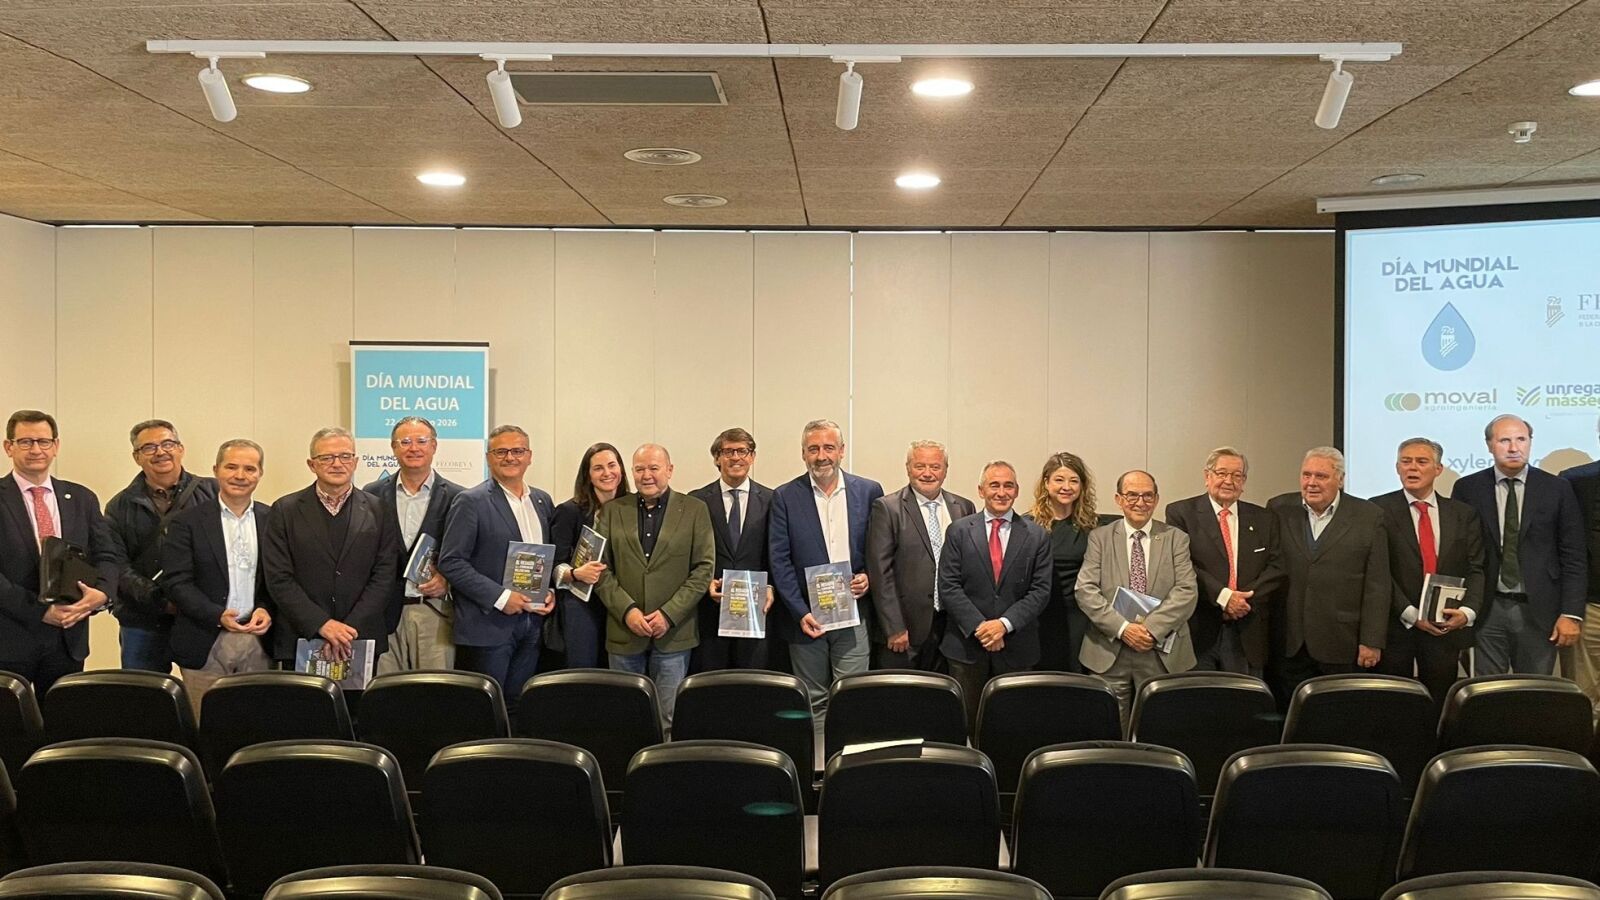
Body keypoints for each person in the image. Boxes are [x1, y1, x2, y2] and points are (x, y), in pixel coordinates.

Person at [769, 419, 884, 724]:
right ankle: (818, 755)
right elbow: (779, 561)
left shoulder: (869, 491)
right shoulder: (784, 496)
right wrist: (799, 611)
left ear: (842, 451)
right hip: (807, 619)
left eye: (829, 448)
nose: (822, 456)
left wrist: (869, 577)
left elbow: (879, 549)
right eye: (814, 449)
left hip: (853, 613)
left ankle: (848, 754)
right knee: (813, 700)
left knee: (852, 696)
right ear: (803, 453)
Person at [1452, 414, 1586, 675]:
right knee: (1487, 690)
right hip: (1486, 608)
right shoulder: (1468, 488)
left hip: (1540, 610)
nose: (1514, 448)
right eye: (1504, 440)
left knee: (1534, 690)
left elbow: (1574, 556)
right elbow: (1458, 553)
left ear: (1530, 442)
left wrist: (1571, 613)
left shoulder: (1557, 488)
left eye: (1521, 439)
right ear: (1489, 445)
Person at [594, 444, 715, 727]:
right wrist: (628, 611)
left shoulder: (695, 510)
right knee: (624, 718)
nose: (646, 475)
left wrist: (668, 615)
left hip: (674, 633)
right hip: (624, 631)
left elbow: (703, 569)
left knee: (668, 717)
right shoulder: (612, 511)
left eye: (654, 468)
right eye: (639, 469)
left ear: (669, 470)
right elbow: (599, 569)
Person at [0, 410, 117, 693]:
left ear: (56, 446)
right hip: (9, 637)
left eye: (44, 441)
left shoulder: (81, 498)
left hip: (68, 639)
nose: (36, 450)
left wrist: (102, 594)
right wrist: (39, 611)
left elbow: (107, 555)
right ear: (8, 447)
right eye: (26, 442)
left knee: (63, 717)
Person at [439, 425, 556, 706]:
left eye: (518, 451)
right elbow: (451, 561)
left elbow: (546, 557)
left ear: (529, 456)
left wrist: (549, 590)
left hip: (532, 623)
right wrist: (501, 597)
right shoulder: (470, 501)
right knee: (484, 708)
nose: (510, 457)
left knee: (519, 704)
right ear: (488, 458)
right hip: (488, 625)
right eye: (501, 451)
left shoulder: (542, 501)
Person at [263, 426, 400, 665]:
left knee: (361, 694)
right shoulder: (285, 510)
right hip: (303, 634)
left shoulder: (379, 510)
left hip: (359, 634)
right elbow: (278, 578)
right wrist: (322, 624)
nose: (337, 464)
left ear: (355, 462)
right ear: (311, 464)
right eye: (326, 457)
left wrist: (347, 629)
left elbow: (384, 575)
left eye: (345, 456)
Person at [1267, 446, 1390, 704]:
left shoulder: (1368, 516)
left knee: (1339, 714)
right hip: (1290, 642)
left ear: (1340, 480)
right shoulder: (1278, 508)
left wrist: (1371, 641)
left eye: (1321, 476)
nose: (1311, 483)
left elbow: (1377, 584)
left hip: (1342, 642)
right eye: (1306, 475)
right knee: (1290, 715)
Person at [1371, 437, 1485, 713]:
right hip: (1396, 626)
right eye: (1406, 461)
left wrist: (1467, 613)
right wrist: (1411, 614)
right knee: (1393, 707)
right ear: (1397, 468)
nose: (1412, 468)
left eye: (1421, 462)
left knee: (1439, 705)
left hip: (1445, 626)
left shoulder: (1463, 514)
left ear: (1438, 469)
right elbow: (1378, 572)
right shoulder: (1377, 510)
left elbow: (1476, 568)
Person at [163, 439, 274, 716]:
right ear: (216, 470)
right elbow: (176, 582)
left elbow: (280, 577)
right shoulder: (186, 522)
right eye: (231, 467)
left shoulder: (273, 519)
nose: (240, 475)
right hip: (205, 639)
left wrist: (266, 608)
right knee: (206, 724)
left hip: (259, 641)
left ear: (260, 473)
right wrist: (217, 614)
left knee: (257, 724)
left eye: (250, 469)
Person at [1076, 470, 1197, 724]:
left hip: (1160, 651)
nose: (1140, 502)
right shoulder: (1100, 538)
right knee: (1108, 728)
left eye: (1147, 496)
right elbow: (1085, 590)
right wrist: (1124, 629)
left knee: (1158, 727)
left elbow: (1186, 592)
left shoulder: (1176, 538)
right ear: (1118, 499)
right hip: (1109, 650)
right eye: (1132, 495)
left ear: (1157, 499)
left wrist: (1149, 630)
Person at [937, 461, 1052, 727]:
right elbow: (949, 585)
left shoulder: (1037, 536)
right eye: (994, 485)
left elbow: (1040, 590)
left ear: (1017, 491)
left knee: (1013, 725)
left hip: (1017, 646)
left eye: (1008, 486)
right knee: (965, 724)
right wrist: (981, 628)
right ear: (981, 490)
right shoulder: (959, 531)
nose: (1001, 492)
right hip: (967, 647)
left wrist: (1003, 625)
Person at [104, 419, 217, 672]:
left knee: (209, 693)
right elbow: (117, 565)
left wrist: (194, 602)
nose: (160, 452)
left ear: (181, 448)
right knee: (145, 693)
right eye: (149, 447)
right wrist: (160, 601)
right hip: (142, 619)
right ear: (136, 457)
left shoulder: (213, 492)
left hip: (202, 618)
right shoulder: (119, 506)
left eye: (168, 444)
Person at [1165, 447, 1283, 677]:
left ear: (1244, 481)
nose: (1229, 481)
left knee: (1245, 697)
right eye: (1221, 473)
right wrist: (1224, 597)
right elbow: (1182, 565)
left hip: (1248, 627)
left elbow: (1277, 567)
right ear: (1207, 476)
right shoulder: (1181, 513)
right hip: (1200, 627)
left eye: (1237, 475)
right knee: (1198, 695)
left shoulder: (1264, 518)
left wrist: (1242, 601)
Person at [362, 416, 464, 673]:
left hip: (434, 611)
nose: (414, 448)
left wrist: (448, 581)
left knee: (434, 689)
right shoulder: (371, 494)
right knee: (385, 689)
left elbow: (467, 555)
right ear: (393, 448)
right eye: (405, 442)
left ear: (434, 446)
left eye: (421, 441)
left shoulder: (458, 497)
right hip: (383, 613)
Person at [866, 440, 976, 671]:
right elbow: (880, 573)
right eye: (920, 466)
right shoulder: (887, 508)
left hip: (952, 628)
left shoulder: (964, 507)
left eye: (935, 467)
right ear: (908, 468)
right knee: (902, 692)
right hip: (905, 630)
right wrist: (894, 627)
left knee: (945, 691)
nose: (927, 473)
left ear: (945, 470)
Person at [688, 428, 777, 673]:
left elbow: (777, 552)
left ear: (752, 457)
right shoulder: (696, 501)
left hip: (757, 610)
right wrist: (705, 582)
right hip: (711, 609)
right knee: (711, 683)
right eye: (728, 451)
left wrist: (771, 586)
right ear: (717, 458)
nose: (736, 457)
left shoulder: (772, 499)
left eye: (742, 451)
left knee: (752, 682)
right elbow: (688, 553)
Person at [549, 442, 628, 669]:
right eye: (598, 468)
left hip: (623, 601)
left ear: (621, 469)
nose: (607, 473)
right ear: (588, 475)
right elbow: (554, 564)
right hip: (583, 604)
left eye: (612, 465)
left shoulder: (634, 507)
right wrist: (575, 573)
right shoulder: (569, 511)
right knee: (584, 670)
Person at [1025, 451, 1101, 673]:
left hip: (1080, 616)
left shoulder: (1093, 527)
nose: (1066, 487)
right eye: (1059, 479)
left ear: (1082, 486)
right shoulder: (1027, 525)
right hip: (1038, 615)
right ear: (1046, 483)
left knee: (1076, 676)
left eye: (1074, 481)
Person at [1559, 417, 1600, 719]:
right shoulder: (1575, 481)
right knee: (1583, 700)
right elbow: (1564, 547)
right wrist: (1570, 611)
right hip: (1588, 608)